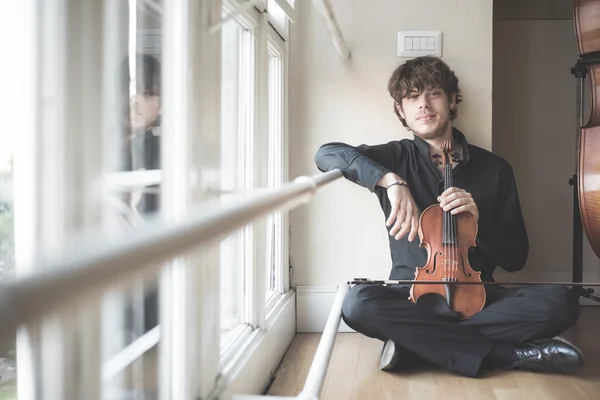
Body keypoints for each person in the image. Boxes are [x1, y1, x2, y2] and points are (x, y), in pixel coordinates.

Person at [313, 55, 584, 378]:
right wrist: (391, 181)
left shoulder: (495, 169)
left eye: (433, 94)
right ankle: (507, 355)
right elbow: (326, 153)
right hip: (412, 297)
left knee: (562, 301)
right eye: (412, 98)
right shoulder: (395, 158)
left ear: (452, 100)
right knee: (357, 303)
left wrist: (478, 221)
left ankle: (417, 345)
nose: (423, 105)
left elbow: (516, 258)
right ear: (401, 110)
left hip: (483, 297)